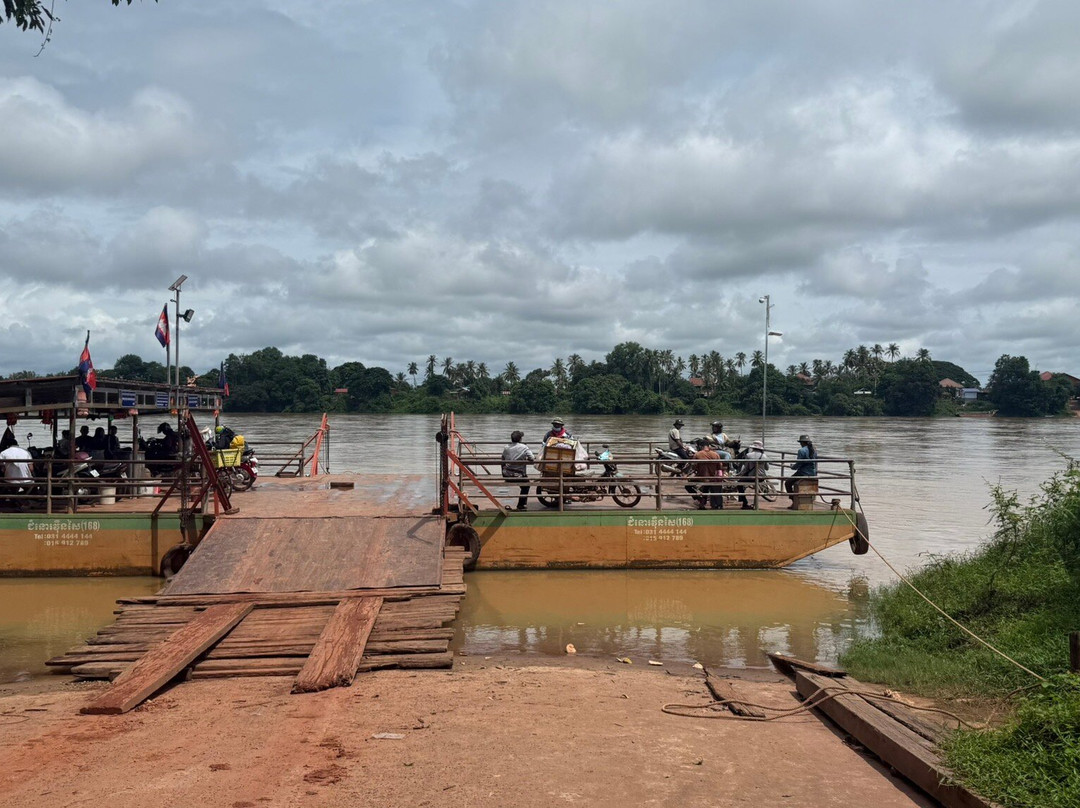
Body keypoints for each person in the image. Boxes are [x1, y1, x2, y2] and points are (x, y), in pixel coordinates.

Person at [501, 430, 535, 511]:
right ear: (520, 439)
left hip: (507, 474)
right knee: (526, 486)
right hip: (518, 475)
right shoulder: (524, 447)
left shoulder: (506, 447)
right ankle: (521, 505)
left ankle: (521, 505)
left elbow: (503, 458)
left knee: (525, 484)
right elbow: (532, 458)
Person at [691, 438, 724, 509]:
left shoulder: (697, 454)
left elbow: (693, 467)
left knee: (688, 486)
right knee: (708, 485)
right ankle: (703, 502)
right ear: (708, 446)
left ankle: (700, 500)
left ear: (700, 446)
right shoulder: (716, 455)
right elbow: (720, 467)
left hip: (701, 478)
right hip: (712, 477)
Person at [736, 439, 769, 509]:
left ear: (753, 448)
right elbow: (767, 468)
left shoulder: (748, 455)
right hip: (761, 478)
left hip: (752, 477)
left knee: (739, 484)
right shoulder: (764, 456)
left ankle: (744, 502)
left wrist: (739, 474)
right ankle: (752, 503)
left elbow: (746, 469)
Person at [0, 439, 34, 506]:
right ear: (17, 444)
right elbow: (31, 469)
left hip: (10, 481)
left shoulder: (3, 453)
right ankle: (20, 501)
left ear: (7, 446)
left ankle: (15, 501)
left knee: (6, 485)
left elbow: (2, 469)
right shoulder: (26, 452)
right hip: (27, 481)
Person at [785, 434, 818, 504]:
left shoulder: (801, 450)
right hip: (813, 473)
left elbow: (798, 464)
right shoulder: (814, 450)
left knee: (787, 483)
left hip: (803, 472)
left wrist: (792, 467)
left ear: (802, 443)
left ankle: (793, 500)